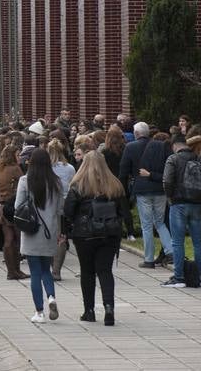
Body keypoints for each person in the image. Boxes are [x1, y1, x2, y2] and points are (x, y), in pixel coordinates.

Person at [62, 151, 126, 325]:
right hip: (109, 233)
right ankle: (109, 307)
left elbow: (68, 211)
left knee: (87, 272)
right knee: (105, 271)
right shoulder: (115, 185)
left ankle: (89, 310)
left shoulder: (78, 185)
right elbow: (122, 211)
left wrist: (67, 229)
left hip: (85, 234)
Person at [15, 147, 64, 323]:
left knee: (34, 272)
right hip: (50, 230)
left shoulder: (25, 180)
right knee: (46, 270)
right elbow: (60, 209)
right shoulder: (56, 182)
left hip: (31, 230)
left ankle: (39, 312)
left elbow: (18, 206)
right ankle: (51, 296)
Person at [162, 134, 201, 287]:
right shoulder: (200, 160)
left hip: (179, 203)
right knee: (197, 242)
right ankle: (199, 276)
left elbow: (167, 181)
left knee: (177, 242)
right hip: (197, 203)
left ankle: (179, 277)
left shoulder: (173, 159)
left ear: (174, 145)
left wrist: (170, 197)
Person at [121, 121, 171, 268]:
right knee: (160, 222)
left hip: (142, 189)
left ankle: (149, 258)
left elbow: (123, 171)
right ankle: (170, 250)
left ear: (136, 134)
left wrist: (124, 190)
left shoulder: (130, 147)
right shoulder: (161, 146)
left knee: (147, 225)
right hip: (159, 189)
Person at [0, 139, 28, 280]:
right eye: (17, 154)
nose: (19, 156)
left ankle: (11, 271)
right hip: (13, 205)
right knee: (15, 239)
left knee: (7, 238)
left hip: (2, 205)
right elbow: (23, 183)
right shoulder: (15, 168)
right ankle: (16, 270)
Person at [48, 138, 76, 280]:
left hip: (48, 205)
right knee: (61, 237)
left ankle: (51, 266)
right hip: (64, 206)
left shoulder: (47, 167)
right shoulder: (70, 168)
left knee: (49, 236)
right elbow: (73, 186)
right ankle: (56, 270)